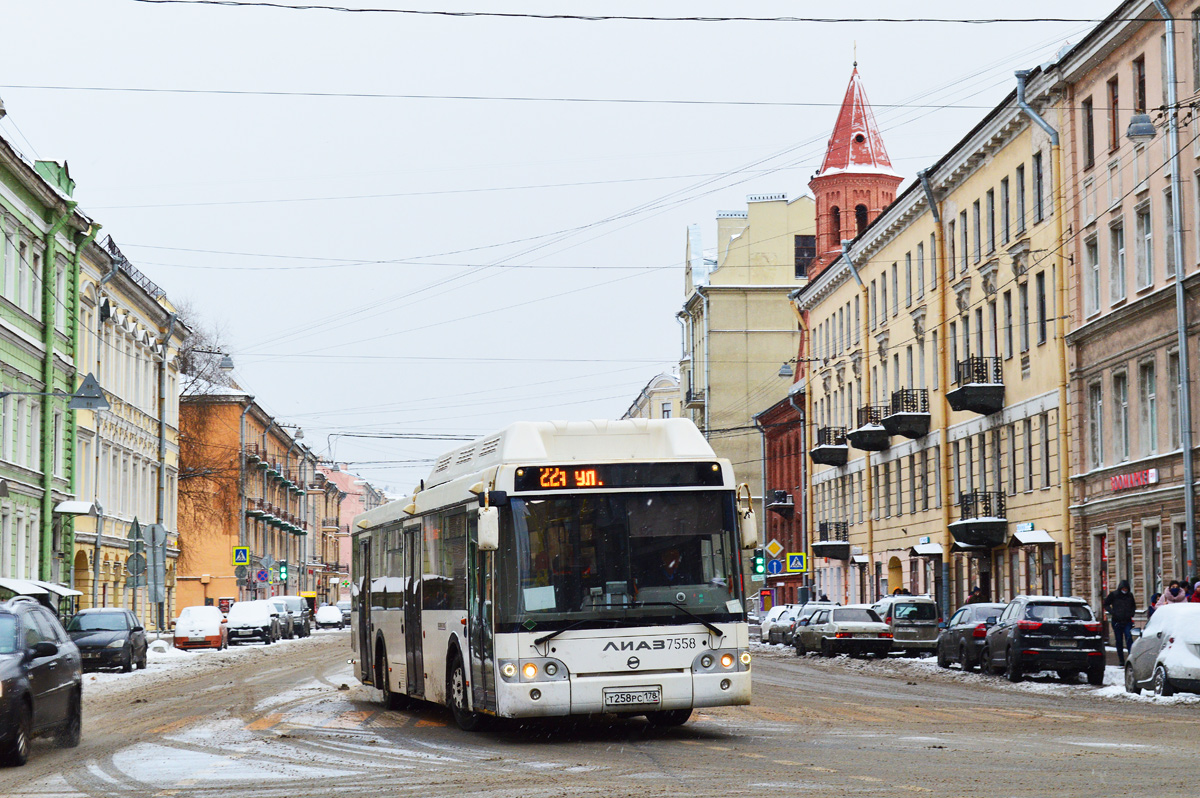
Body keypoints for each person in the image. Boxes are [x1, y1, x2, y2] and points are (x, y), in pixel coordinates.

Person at [1102, 579, 1136, 666]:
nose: (1124, 590)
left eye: (1126, 589)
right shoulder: (1114, 595)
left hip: (1127, 620)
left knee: (1129, 638)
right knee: (1119, 640)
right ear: (1120, 588)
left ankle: (1131, 658)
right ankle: (1121, 660)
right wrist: (1112, 612)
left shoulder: (1130, 596)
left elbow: (1133, 606)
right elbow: (1106, 604)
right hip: (1117, 621)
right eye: (1123, 589)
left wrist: (1131, 613)